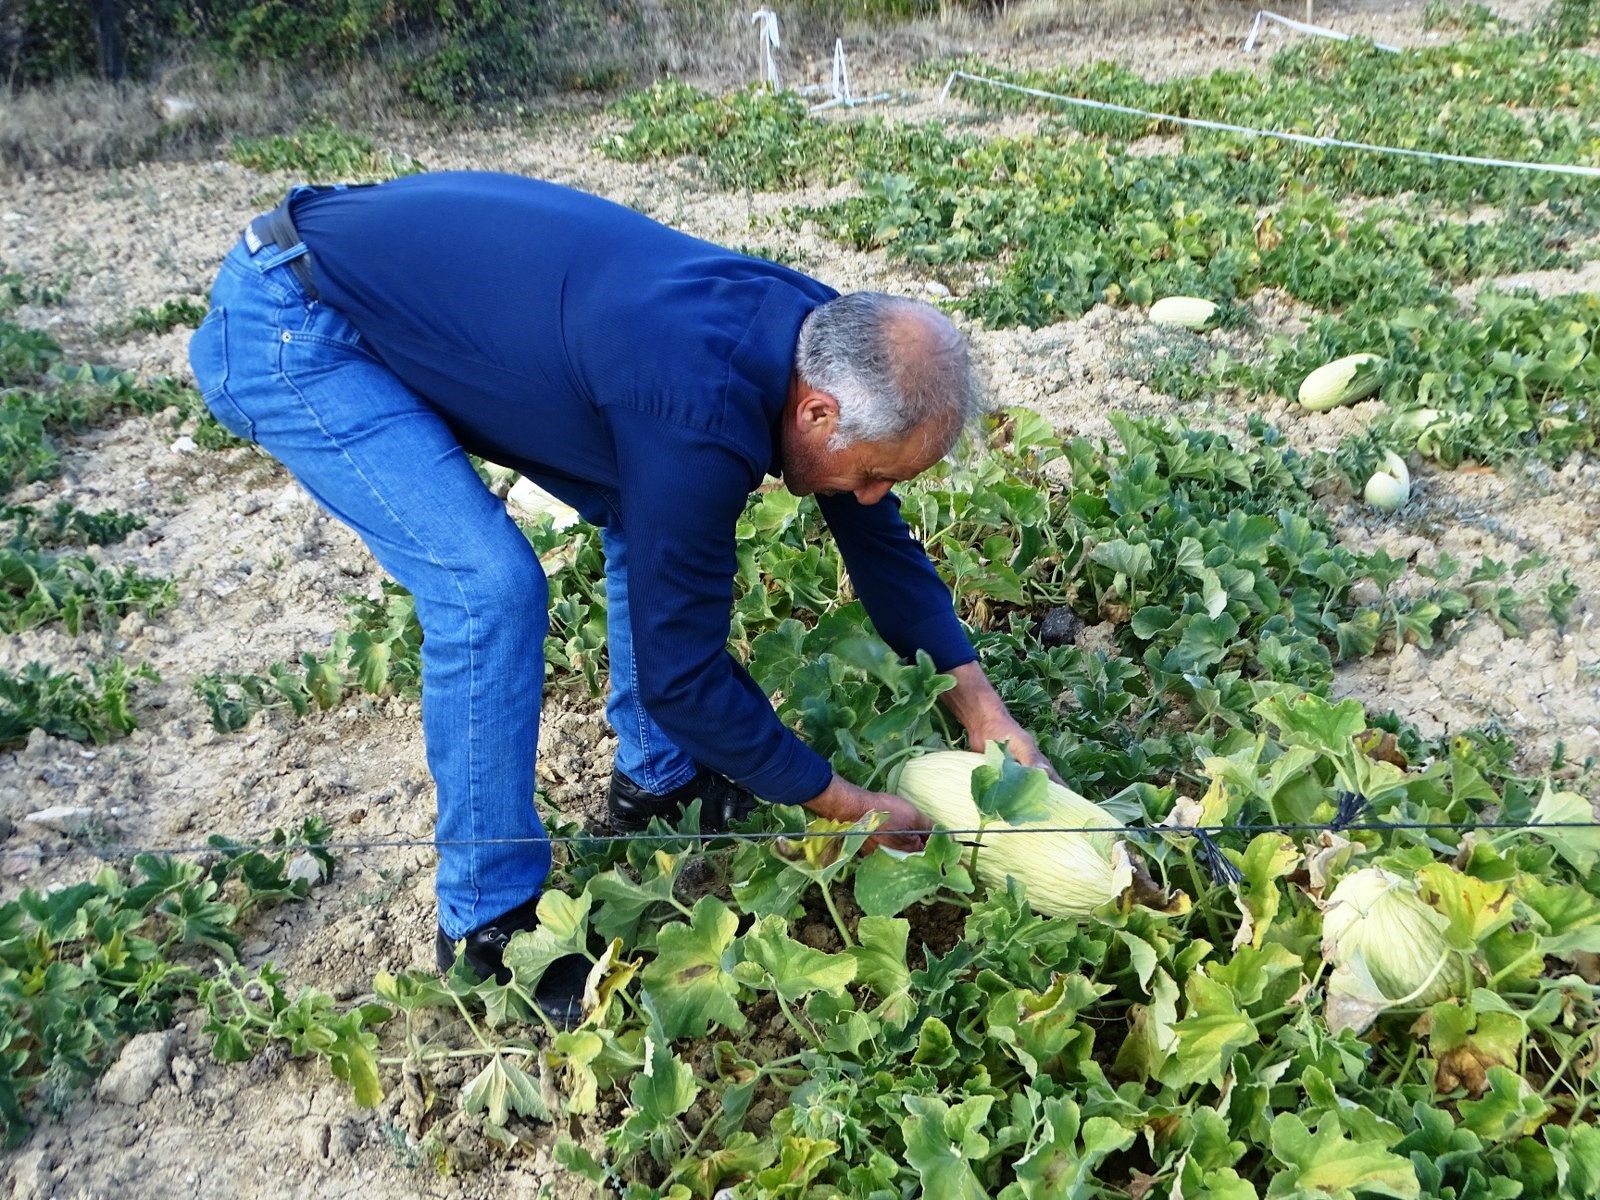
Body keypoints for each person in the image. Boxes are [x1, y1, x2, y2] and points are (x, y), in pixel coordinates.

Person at [187, 171, 1054, 1026]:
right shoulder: (702, 406)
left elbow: (878, 542)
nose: (868, 497)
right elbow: (684, 673)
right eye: (870, 476)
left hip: (388, 278)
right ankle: (487, 925)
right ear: (820, 414)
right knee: (488, 589)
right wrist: (842, 803)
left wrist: (982, 709)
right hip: (295, 322)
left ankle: (659, 773)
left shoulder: (828, 337)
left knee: (655, 507)